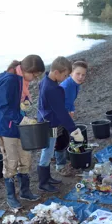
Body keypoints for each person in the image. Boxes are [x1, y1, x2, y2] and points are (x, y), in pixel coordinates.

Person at [0, 55, 45, 209]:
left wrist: (25, 103)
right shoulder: (9, 81)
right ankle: (11, 196)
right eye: (34, 75)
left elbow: (18, 100)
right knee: (11, 161)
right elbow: (3, 107)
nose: (34, 79)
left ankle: (25, 191)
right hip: (7, 127)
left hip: (21, 126)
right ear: (26, 70)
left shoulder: (22, 80)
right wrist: (20, 119)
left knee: (25, 157)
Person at [37, 56, 84, 193]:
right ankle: (43, 182)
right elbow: (61, 113)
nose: (65, 78)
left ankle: (48, 177)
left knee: (49, 149)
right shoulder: (53, 89)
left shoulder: (45, 80)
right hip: (49, 124)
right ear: (57, 72)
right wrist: (74, 131)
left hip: (45, 120)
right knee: (48, 150)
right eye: (64, 75)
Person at [52, 60, 88, 175]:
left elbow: (71, 100)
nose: (81, 77)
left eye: (83, 75)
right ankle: (60, 166)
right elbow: (57, 105)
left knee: (63, 138)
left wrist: (72, 109)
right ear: (71, 73)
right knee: (60, 140)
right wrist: (66, 113)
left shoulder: (76, 85)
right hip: (56, 116)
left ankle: (56, 156)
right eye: (78, 74)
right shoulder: (65, 86)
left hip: (65, 114)